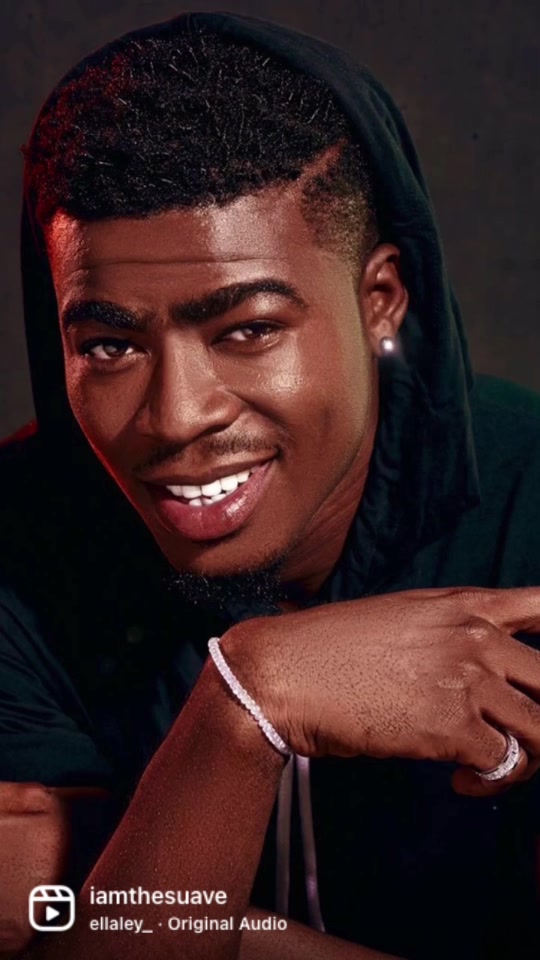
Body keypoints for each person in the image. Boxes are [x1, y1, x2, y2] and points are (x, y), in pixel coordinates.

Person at [1, 11, 540, 960]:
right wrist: (248, 704)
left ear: (380, 301)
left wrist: (146, 906)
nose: (176, 417)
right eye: (111, 345)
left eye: (246, 329)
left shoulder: (530, 510)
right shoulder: (14, 537)